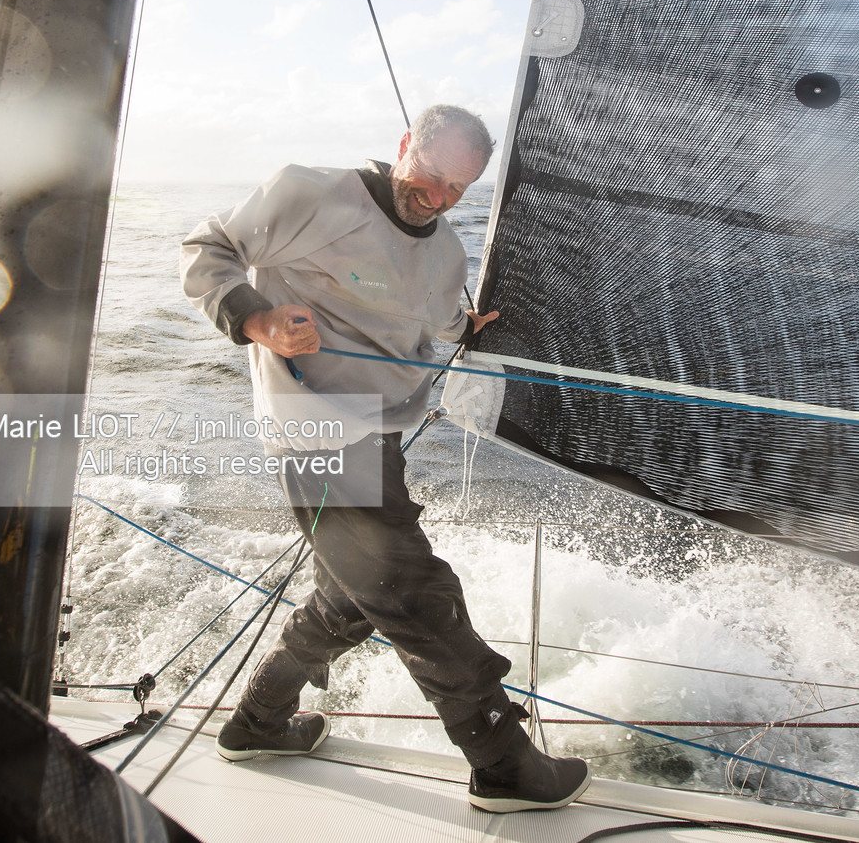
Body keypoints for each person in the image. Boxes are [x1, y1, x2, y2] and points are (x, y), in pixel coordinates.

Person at [179, 104, 590, 812]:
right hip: (313, 433)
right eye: (429, 178)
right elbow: (205, 247)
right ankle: (502, 763)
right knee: (411, 592)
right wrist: (259, 319)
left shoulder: (444, 254)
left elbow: (440, 322)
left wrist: (470, 325)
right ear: (404, 146)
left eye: (458, 190)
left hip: (380, 439)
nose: (437, 199)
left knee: (350, 600)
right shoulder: (308, 192)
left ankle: (258, 723)